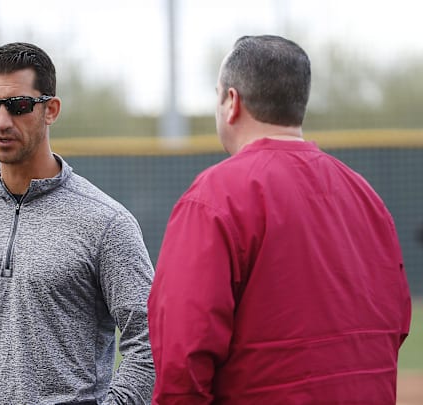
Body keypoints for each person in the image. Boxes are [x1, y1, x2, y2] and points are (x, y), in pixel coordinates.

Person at [148, 35, 412, 404]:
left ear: (232, 102)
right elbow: (396, 324)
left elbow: (182, 354)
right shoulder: (367, 196)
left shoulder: (215, 195)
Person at [0, 42, 155, 404]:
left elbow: (151, 341)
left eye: (19, 106)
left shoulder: (106, 223)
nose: (2, 121)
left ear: (51, 110)